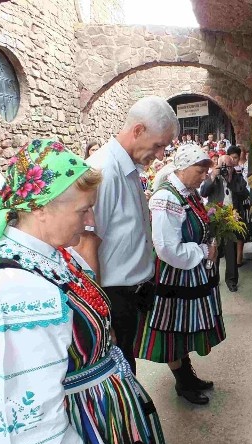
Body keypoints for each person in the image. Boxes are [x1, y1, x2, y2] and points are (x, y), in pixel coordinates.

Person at [0, 139, 170, 444]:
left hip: (94, 420)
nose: (90, 219)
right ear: (40, 208)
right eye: (83, 210)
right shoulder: (10, 291)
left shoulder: (52, 253)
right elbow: (19, 414)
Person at [76, 96, 178, 374]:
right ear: (138, 131)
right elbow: (86, 245)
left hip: (129, 293)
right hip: (112, 296)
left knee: (126, 366)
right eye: (158, 145)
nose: (160, 155)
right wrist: (99, 314)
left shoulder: (128, 167)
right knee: (121, 371)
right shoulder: (104, 172)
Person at [140, 144, 224, 405]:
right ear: (183, 168)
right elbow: (166, 247)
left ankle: (188, 376)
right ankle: (183, 382)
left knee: (184, 328)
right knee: (173, 330)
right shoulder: (166, 198)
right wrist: (201, 249)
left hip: (189, 272)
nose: (204, 177)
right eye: (200, 171)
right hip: (174, 275)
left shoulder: (186, 193)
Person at [200, 153, 248, 292]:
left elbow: (243, 194)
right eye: (224, 166)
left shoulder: (237, 178)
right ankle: (212, 278)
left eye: (230, 166)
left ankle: (231, 281)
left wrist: (231, 178)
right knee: (214, 251)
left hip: (232, 219)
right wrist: (214, 175)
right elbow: (203, 192)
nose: (227, 169)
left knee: (231, 252)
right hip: (215, 219)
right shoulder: (213, 178)